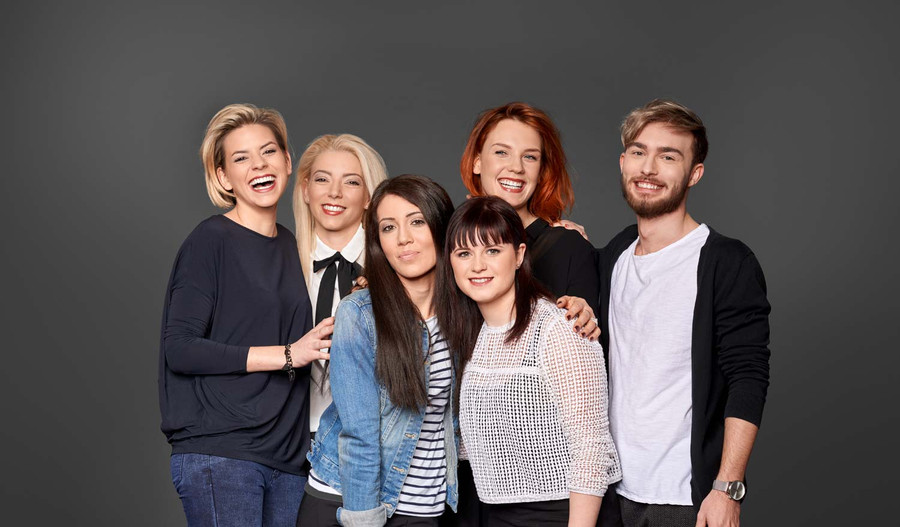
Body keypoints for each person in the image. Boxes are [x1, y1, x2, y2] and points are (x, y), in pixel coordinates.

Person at [597, 99, 771, 527]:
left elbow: (748, 377)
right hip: (608, 493)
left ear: (694, 173)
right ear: (623, 162)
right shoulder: (614, 254)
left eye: (668, 156)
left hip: (684, 501)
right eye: (638, 152)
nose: (648, 168)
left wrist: (727, 488)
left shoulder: (725, 261)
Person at [159, 104, 334, 526]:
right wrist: (287, 354)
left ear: (287, 162)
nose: (259, 165)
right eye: (241, 158)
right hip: (223, 453)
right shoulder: (210, 240)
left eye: (269, 151)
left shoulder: (294, 245)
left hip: (288, 460)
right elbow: (179, 348)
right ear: (223, 178)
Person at [437, 196, 621, 526]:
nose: (477, 265)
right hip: (496, 514)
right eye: (464, 253)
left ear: (519, 255)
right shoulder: (475, 335)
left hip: (563, 514)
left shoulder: (558, 327)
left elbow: (592, 447)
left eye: (492, 250)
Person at [298, 175, 458, 527]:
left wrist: (573, 304)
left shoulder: (465, 312)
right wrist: (364, 519)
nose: (403, 238)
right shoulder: (359, 314)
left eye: (417, 222)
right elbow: (359, 434)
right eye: (388, 227)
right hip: (348, 502)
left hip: (424, 507)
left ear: (443, 227)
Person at [460, 102, 599, 314]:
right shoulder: (451, 242)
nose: (516, 167)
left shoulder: (569, 248)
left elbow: (584, 331)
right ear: (476, 162)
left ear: (541, 171)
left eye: (530, 157)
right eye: (501, 152)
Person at [292, 133, 388, 437]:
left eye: (351, 182)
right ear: (306, 190)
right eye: (322, 180)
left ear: (369, 197)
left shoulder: (394, 270)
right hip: (289, 440)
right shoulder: (278, 266)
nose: (334, 193)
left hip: (369, 440)